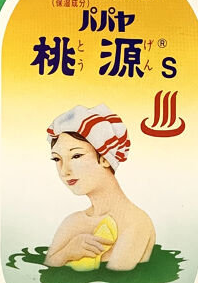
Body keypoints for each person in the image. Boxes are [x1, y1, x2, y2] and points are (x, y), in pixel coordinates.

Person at [44, 104, 155, 272]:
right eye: (57, 159)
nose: (64, 171)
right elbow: (46, 271)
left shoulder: (135, 223)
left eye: (76, 156)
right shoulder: (72, 222)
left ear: (105, 159)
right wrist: (67, 252)